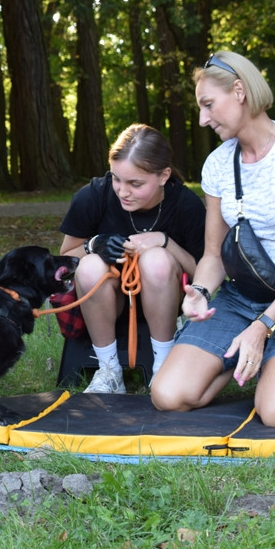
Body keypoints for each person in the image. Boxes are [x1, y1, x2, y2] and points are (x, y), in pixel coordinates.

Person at [150, 51, 275, 427]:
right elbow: (212, 254)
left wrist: (262, 327)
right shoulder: (219, 164)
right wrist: (201, 293)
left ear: (239, 91)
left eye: (208, 105)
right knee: (168, 395)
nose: (203, 119)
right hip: (243, 298)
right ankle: (258, 354)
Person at [58, 124, 206, 394]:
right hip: (106, 302)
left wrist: (165, 242)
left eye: (135, 184)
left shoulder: (186, 205)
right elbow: (64, 260)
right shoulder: (93, 195)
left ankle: (164, 366)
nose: (123, 191)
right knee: (90, 265)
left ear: (164, 176)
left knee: (156, 260)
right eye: (116, 179)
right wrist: (94, 244)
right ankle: (109, 371)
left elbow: (203, 274)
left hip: (167, 298)